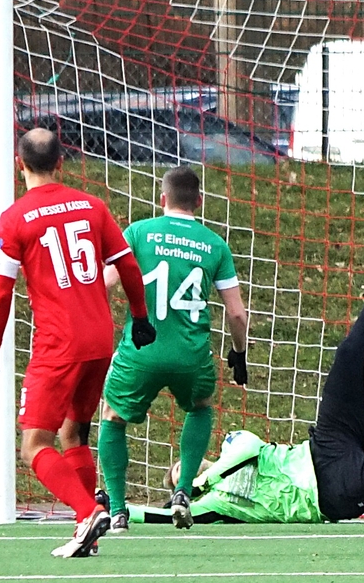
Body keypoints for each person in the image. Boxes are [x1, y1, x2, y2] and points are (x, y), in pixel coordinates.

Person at [119, 224, 364, 525]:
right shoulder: (217, 503)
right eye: (179, 475)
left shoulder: (232, 448)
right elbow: (157, 516)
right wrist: (117, 507)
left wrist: (200, 478)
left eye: (182, 466)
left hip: (324, 445)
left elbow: (248, 447)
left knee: (349, 353)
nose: (185, 470)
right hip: (334, 492)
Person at [0, 128, 157, 558]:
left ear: (20, 164)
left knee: (33, 445)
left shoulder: (15, 218)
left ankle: (87, 511)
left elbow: (1, 292)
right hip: (99, 339)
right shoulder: (92, 206)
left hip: (58, 344)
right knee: (72, 434)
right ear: (61, 162)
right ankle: (88, 532)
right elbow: (127, 265)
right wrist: (139, 317)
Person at [100, 165, 249, 531]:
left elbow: (105, 284)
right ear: (199, 200)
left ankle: (117, 510)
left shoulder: (138, 232)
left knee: (112, 417)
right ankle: (183, 492)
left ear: (162, 198)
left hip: (142, 348)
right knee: (200, 407)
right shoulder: (215, 244)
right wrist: (239, 353)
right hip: (191, 354)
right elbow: (237, 313)